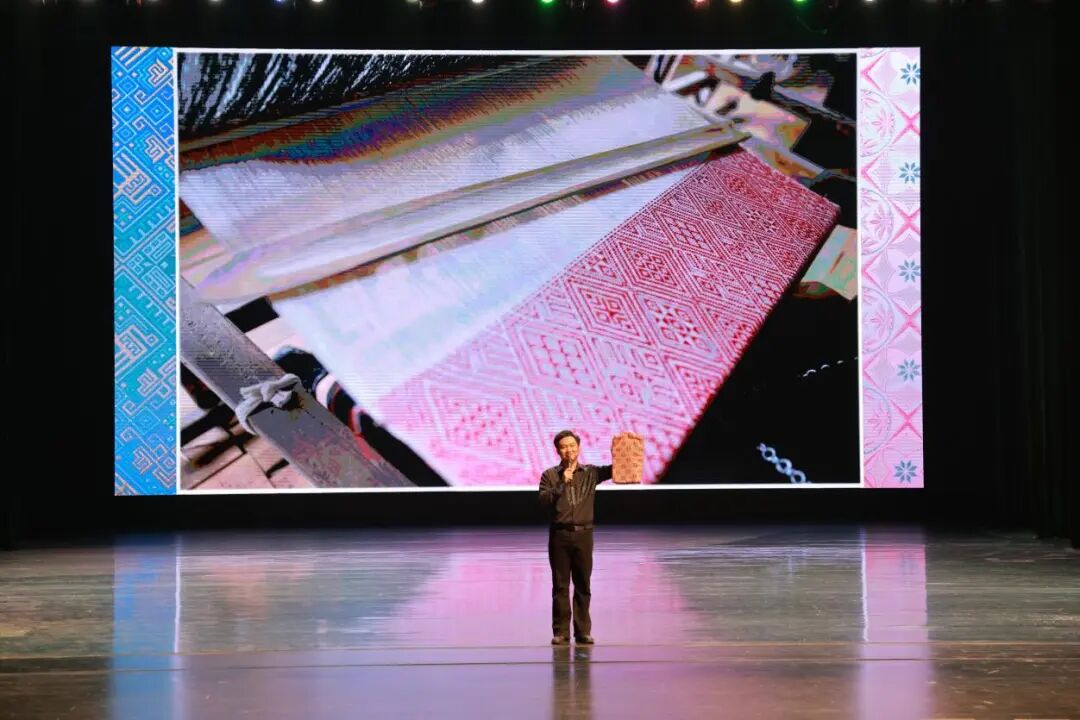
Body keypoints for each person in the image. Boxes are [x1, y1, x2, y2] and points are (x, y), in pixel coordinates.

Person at [539, 429, 641, 646]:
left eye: (572, 446)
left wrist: (626, 446)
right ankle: (561, 632)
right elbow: (543, 501)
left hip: (584, 535)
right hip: (559, 535)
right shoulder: (549, 475)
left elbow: (619, 470)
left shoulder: (590, 473)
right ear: (558, 450)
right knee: (560, 586)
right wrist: (561, 484)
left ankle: (583, 631)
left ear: (578, 448)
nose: (569, 450)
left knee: (583, 584)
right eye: (564, 447)